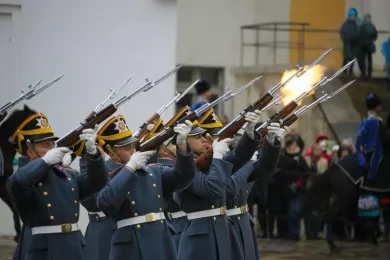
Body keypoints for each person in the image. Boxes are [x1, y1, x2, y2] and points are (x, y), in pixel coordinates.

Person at [6, 108, 108, 260]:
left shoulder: (67, 175)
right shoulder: (24, 177)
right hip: (46, 249)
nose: (51, 149)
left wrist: (93, 154)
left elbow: (97, 181)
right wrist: (45, 161)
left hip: (74, 246)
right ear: (30, 152)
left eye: (52, 145)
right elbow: (17, 182)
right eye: (45, 145)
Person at [96, 117, 196, 260]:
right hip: (132, 247)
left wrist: (182, 146)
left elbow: (184, 175)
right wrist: (130, 168)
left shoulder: (154, 170)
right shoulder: (108, 176)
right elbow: (104, 201)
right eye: (126, 148)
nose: (133, 151)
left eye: (133, 146)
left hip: (161, 242)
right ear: (112, 154)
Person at [357, 13, 378, 79]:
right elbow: (375, 36)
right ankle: (369, 74)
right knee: (369, 60)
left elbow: (358, 35)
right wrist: (371, 40)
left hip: (362, 45)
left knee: (362, 60)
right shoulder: (372, 26)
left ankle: (363, 73)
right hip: (369, 45)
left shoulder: (361, 26)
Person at [340, 8, 359, 76]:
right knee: (347, 57)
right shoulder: (346, 24)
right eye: (353, 16)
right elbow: (342, 33)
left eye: (354, 16)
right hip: (347, 43)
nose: (354, 17)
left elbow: (357, 33)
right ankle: (345, 71)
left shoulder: (355, 25)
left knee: (352, 58)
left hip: (353, 44)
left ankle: (350, 71)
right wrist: (345, 39)